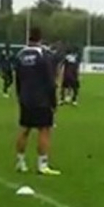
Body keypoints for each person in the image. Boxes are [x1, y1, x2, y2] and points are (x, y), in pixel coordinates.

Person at [14, 28, 61, 176]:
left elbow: (18, 79)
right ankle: (42, 165)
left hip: (25, 98)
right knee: (44, 130)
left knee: (25, 129)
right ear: (40, 39)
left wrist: (20, 96)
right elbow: (50, 81)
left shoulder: (20, 55)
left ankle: (20, 162)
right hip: (41, 99)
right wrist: (53, 101)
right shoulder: (43, 55)